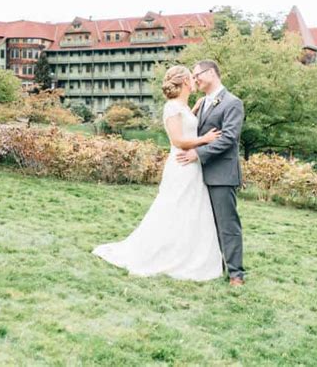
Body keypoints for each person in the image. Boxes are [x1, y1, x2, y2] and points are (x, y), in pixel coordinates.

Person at [92, 65, 223, 281]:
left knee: (190, 209)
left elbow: (187, 125)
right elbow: (178, 141)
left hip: (192, 167)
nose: (195, 80)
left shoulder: (184, 107)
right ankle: (163, 252)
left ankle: (188, 251)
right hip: (181, 165)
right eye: (192, 77)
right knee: (174, 207)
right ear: (185, 83)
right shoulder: (171, 107)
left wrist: (196, 110)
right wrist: (204, 139)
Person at [177, 60, 245, 286]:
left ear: (212, 73)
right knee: (206, 223)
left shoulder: (233, 103)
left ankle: (236, 274)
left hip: (222, 174)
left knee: (227, 225)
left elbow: (228, 138)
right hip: (198, 175)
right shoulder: (202, 102)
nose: (195, 80)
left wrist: (198, 153)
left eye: (197, 76)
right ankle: (214, 265)